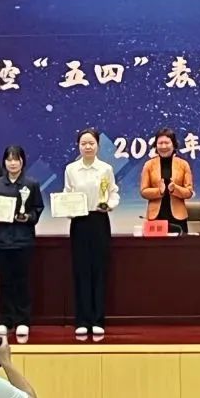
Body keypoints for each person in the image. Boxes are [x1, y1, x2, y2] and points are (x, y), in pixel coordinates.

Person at [63, 127, 119, 337]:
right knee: (81, 270)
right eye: (83, 143)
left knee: (99, 270)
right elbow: (67, 193)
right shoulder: (71, 169)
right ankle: (82, 320)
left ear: (98, 145)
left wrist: (109, 205)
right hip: (79, 222)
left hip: (99, 220)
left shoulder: (105, 169)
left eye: (91, 143)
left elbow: (113, 193)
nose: (87, 147)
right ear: (78, 146)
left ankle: (97, 320)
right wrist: (67, 208)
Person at [0, 144, 44, 339]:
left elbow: (37, 209)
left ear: (22, 162)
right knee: (5, 281)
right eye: (9, 159)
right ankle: (5, 320)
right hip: (1, 241)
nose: (12, 163)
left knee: (22, 281)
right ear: (4, 162)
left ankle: (22, 321)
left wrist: (28, 217)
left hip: (23, 240)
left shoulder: (31, 184)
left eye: (16, 159)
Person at [139, 127, 194, 234]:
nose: (163, 146)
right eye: (160, 143)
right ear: (156, 145)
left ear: (173, 144)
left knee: (180, 245)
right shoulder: (149, 165)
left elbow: (189, 192)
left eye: (167, 143)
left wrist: (175, 189)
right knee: (156, 245)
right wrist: (159, 191)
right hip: (156, 217)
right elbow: (143, 191)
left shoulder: (183, 164)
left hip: (178, 218)